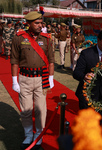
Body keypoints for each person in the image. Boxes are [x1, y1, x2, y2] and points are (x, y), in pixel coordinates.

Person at [10, 11, 54, 150]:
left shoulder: (47, 39)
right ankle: (28, 134)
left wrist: (51, 78)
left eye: (41, 23)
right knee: (26, 110)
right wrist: (14, 81)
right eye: (36, 23)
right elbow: (14, 60)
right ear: (28, 23)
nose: (40, 25)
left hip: (41, 79)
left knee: (41, 110)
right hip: (24, 79)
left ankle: (39, 135)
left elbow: (52, 61)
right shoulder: (18, 38)